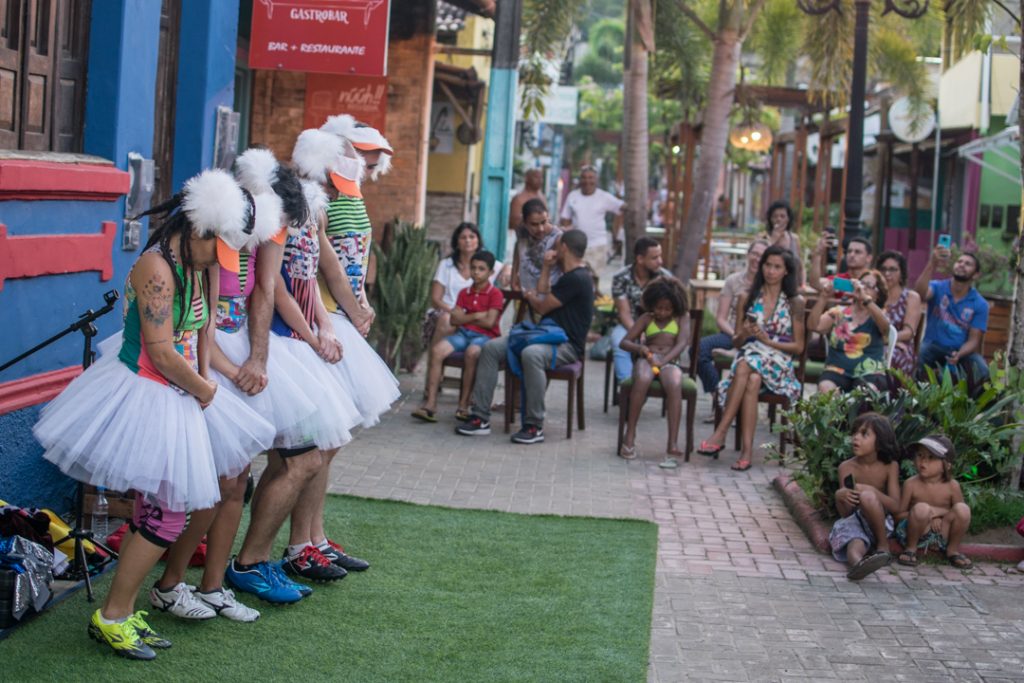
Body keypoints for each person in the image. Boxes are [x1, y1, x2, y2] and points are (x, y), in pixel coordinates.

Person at [33, 169, 275, 659]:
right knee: (166, 514)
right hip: (147, 390)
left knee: (164, 508)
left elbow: (202, 331)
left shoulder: (199, 264)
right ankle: (111, 616)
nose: (221, 261)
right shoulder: (156, 268)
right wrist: (206, 391)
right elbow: (161, 352)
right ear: (199, 227)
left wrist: (203, 385)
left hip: (181, 393)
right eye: (218, 248)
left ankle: (123, 610)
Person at [149, 154, 313, 623]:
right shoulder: (203, 244)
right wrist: (219, 372)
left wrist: (251, 361)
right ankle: (170, 583)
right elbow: (200, 321)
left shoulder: (247, 237)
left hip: (225, 358)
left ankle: (214, 585)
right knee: (214, 482)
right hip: (203, 363)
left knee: (236, 479)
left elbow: (257, 292)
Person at [456, 230, 594, 444]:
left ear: (564, 248)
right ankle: (480, 417)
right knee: (491, 348)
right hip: (542, 334)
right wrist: (546, 267)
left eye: (556, 245)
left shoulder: (578, 278)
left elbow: (542, 306)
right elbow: (543, 293)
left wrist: (530, 296)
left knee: (532, 354)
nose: (552, 249)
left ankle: (533, 425)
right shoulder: (565, 274)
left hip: (566, 345)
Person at [697, 246, 805, 471]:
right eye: (768, 265)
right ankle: (746, 453)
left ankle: (721, 432)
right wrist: (745, 333)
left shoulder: (795, 302)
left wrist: (768, 341)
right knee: (752, 378)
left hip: (779, 360)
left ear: (786, 271)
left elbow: (798, 346)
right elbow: (737, 342)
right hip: (751, 353)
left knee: (745, 364)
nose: (771, 271)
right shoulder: (747, 297)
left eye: (777, 267)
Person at [414, 250, 504, 422]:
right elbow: (455, 320)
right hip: (463, 333)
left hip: (484, 337)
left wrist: (466, 317)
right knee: (437, 350)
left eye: (481, 269)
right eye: (473, 268)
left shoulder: (495, 294)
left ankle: (463, 405)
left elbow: (489, 323)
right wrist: (476, 315)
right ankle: (430, 404)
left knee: (472, 353)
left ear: (491, 272)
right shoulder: (464, 292)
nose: (476, 272)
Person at [617, 277, 690, 462]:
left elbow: (682, 343)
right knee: (642, 378)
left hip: (669, 361)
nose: (662, 312)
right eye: (658, 308)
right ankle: (630, 435)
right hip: (648, 359)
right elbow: (624, 342)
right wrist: (641, 348)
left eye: (667, 309)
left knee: (674, 382)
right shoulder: (646, 318)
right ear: (651, 304)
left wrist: (664, 360)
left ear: (676, 306)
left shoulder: (681, 318)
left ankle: (672, 442)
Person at [828, 413, 900, 581]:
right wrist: (840, 496)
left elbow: (896, 506)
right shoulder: (846, 467)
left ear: (880, 441)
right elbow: (846, 513)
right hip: (855, 523)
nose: (856, 438)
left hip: (880, 523)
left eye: (864, 434)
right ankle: (858, 565)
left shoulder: (890, 466)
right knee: (854, 544)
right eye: (855, 433)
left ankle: (883, 547)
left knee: (867, 497)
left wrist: (872, 491)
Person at [696, 240, 768, 398]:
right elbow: (721, 319)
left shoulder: (770, 284)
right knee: (698, 348)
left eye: (762, 256)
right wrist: (737, 336)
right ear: (748, 255)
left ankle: (737, 353)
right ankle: (718, 395)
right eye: (754, 254)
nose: (757, 259)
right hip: (731, 333)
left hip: (759, 338)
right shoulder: (733, 280)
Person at [913, 244, 990, 386]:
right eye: (959, 261)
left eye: (968, 264)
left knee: (982, 369)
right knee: (922, 354)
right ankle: (917, 396)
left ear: (976, 274)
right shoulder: (938, 287)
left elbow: (974, 340)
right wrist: (932, 263)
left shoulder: (980, 304)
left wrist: (959, 354)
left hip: (961, 351)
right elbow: (919, 294)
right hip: (933, 346)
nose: (962, 265)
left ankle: (974, 401)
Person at [422, 222, 503, 353]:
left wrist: (507, 270)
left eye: (472, 237)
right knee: (446, 320)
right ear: (457, 242)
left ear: (478, 240)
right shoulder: (446, 265)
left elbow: (506, 267)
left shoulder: (486, 263)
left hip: (475, 318)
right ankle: (435, 359)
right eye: (463, 237)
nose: (468, 241)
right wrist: (454, 312)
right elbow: (436, 299)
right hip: (447, 310)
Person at [895, 435, 973, 570]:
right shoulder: (911, 484)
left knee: (963, 509)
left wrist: (937, 514)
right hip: (916, 532)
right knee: (921, 508)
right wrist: (927, 514)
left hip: (941, 531)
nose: (923, 460)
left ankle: (952, 550)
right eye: (920, 455)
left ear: (946, 465)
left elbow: (958, 513)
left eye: (931, 457)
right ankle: (910, 549)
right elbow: (898, 516)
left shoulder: (952, 486)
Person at [808, 270, 890, 394]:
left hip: (870, 373)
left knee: (866, 391)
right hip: (836, 370)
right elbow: (813, 326)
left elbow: (885, 329)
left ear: (878, 294)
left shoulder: (878, 315)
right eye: (861, 283)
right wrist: (823, 297)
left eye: (869, 286)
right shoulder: (839, 312)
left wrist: (866, 300)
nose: (863, 288)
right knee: (826, 388)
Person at [609, 237, 673, 383]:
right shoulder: (621, 277)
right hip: (629, 324)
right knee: (618, 341)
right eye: (654, 258)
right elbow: (624, 312)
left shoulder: (665, 278)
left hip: (659, 325)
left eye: (660, 256)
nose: (660, 261)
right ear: (640, 259)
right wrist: (638, 332)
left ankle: (655, 380)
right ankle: (626, 385)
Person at [559, 165, 625, 266]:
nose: (587, 181)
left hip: (597, 246)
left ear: (596, 180)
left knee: (594, 275)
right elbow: (565, 219)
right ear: (580, 179)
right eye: (584, 177)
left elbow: (622, 207)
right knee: (576, 274)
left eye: (591, 178)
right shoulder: (572, 196)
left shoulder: (604, 196)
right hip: (576, 246)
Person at [876, 250, 922, 375]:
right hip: (872, 343)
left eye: (893, 269)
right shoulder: (873, 296)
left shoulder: (910, 297)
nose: (887, 273)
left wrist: (889, 341)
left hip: (899, 347)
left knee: (888, 355)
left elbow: (908, 333)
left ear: (902, 273)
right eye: (883, 269)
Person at [513, 198, 563, 304]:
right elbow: (518, 247)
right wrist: (514, 276)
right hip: (525, 294)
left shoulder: (557, 238)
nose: (540, 229)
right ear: (525, 223)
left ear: (548, 217)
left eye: (544, 222)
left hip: (547, 299)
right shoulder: (521, 231)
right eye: (534, 224)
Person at [508, 169, 545, 257]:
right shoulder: (519, 199)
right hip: (524, 244)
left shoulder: (542, 197)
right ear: (527, 178)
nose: (540, 180)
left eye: (541, 177)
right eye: (536, 177)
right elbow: (513, 224)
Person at [763, 200, 802, 283]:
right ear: (770, 219)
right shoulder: (763, 237)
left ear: (788, 219)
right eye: (775, 216)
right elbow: (760, 259)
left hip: (790, 283)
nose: (778, 219)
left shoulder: (794, 238)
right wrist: (773, 239)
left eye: (782, 216)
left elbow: (799, 264)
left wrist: (802, 284)